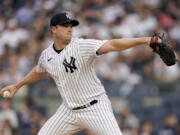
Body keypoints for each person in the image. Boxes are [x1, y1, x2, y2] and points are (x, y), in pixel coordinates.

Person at [0, 12, 161, 135]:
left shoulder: (81, 46)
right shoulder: (46, 55)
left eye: (71, 25)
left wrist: (145, 40)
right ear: (53, 29)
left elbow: (112, 44)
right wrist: (18, 85)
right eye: (65, 25)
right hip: (68, 111)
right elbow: (39, 70)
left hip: (96, 107)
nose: (70, 28)